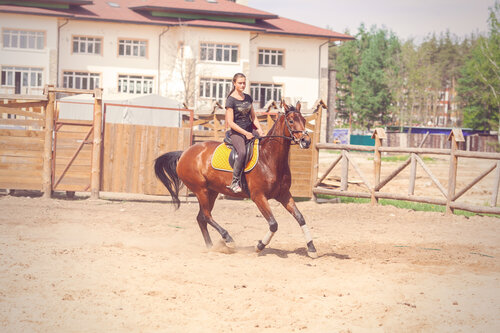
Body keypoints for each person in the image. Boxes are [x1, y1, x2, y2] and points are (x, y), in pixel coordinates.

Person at [225, 73, 265, 193]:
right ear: (234, 83)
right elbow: (230, 123)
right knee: (242, 152)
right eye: (240, 83)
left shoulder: (248, 98)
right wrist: (245, 133)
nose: (242, 85)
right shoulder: (230, 100)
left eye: (244, 83)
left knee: (265, 142)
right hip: (236, 132)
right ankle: (235, 182)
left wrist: (260, 130)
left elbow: (253, 117)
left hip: (249, 129)